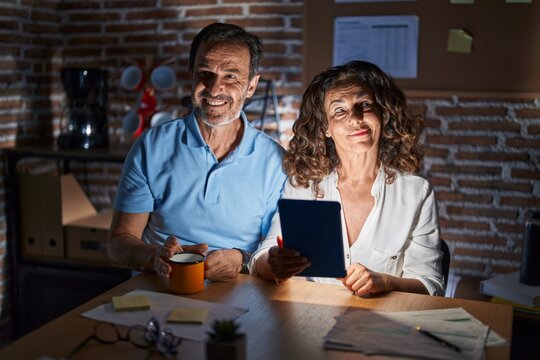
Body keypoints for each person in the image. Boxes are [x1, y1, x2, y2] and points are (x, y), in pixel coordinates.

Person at [108, 23, 286, 282]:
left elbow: (277, 253)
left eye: (231, 76)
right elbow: (118, 243)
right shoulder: (151, 147)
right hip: (161, 292)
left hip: (239, 294)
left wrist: (240, 260)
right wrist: (155, 256)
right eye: (205, 73)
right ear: (190, 75)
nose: (214, 89)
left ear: (251, 86)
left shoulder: (275, 161)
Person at [250, 60, 445, 296]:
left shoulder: (417, 193)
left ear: (383, 114)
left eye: (364, 104)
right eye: (339, 111)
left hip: (382, 324)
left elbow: (430, 284)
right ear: (325, 128)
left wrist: (386, 282)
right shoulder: (303, 186)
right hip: (311, 319)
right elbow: (263, 255)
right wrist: (273, 263)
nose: (355, 118)